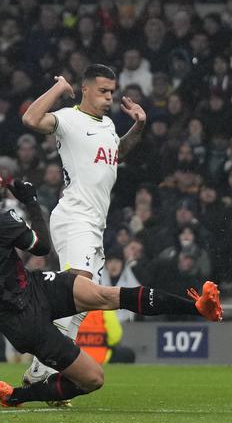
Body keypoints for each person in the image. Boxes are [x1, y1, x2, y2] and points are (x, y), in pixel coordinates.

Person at [0, 150, 221, 406]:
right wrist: (31, 201)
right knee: (93, 379)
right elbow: (42, 247)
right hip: (21, 317)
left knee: (105, 295)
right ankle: (18, 396)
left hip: (30, 288)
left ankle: (197, 307)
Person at [21, 64, 146, 391]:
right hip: (76, 217)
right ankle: (43, 372)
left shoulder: (106, 125)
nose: (109, 98)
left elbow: (116, 153)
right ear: (86, 89)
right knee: (78, 293)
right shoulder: (69, 118)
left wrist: (140, 126)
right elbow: (31, 119)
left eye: (112, 92)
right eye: (103, 91)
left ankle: (42, 370)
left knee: (81, 304)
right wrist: (60, 88)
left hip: (92, 222)